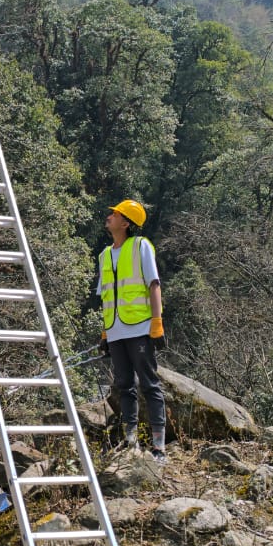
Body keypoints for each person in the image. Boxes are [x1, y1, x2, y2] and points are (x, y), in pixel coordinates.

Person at [96, 198, 168, 462]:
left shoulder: (140, 246)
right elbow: (106, 297)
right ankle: (130, 441)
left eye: (115, 214)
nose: (110, 216)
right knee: (123, 385)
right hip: (115, 331)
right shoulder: (104, 255)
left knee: (149, 384)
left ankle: (159, 446)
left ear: (126, 223)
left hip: (139, 327)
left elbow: (154, 285)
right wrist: (105, 333)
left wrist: (157, 323)